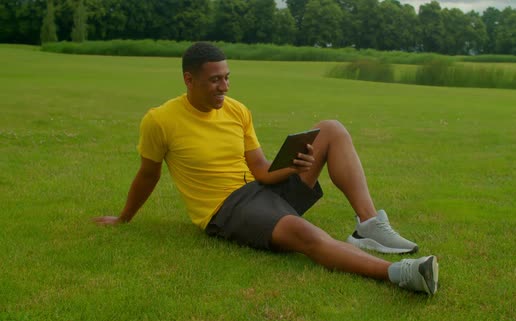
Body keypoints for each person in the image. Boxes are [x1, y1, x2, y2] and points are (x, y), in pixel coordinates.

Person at [93, 42, 439, 295]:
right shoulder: (160, 120)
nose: (224, 88)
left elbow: (260, 169)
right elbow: (148, 174)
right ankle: (399, 273)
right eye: (215, 80)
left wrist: (294, 168)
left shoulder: (237, 110)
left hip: (262, 189)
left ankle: (368, 227)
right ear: (189, 79)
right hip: (226, 209)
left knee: (331, 128)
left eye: (227, 78)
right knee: (304, 234)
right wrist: (124, 217)